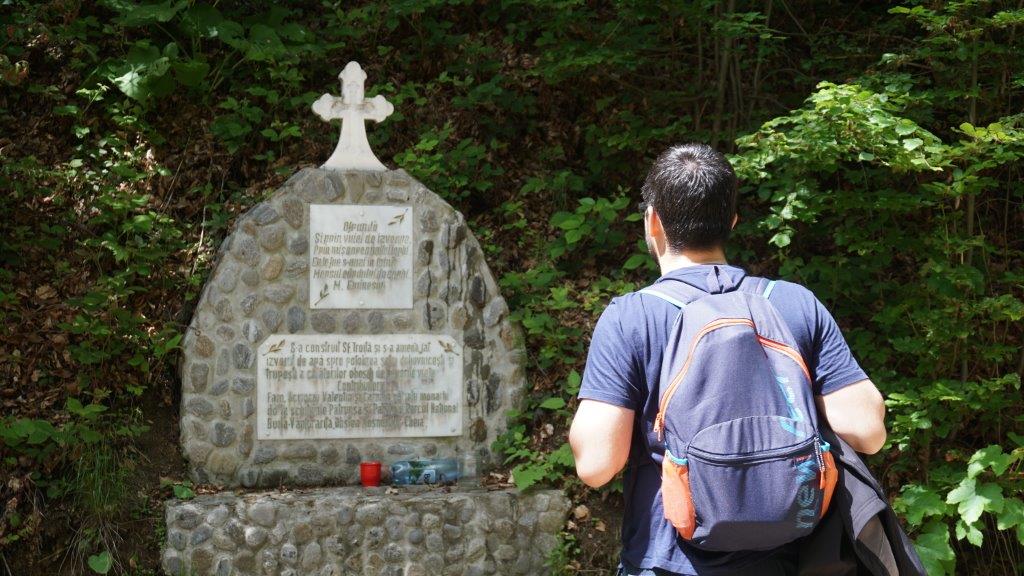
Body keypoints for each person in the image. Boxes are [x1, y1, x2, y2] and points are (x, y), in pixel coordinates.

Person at [568, 143, 887, 576]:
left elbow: (596, 465)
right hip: (787, 560)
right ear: (732, 220)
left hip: (667, 563)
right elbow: (868, 432)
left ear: (653, 220)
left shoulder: (631, 317)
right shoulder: (792, 304)